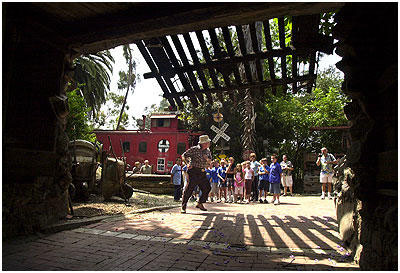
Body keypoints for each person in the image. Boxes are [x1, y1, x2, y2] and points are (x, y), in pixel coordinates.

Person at [180, 135, 212, 213]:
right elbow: (184, 155)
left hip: (202, 171)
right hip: (193, 170)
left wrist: (207, 159)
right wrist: (187, 163)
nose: (209, 143)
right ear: (203, 143)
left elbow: (210, 162)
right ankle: (183, 207)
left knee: (207, 188)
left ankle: (200, 203)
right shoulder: (194, 149)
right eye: (207, 142)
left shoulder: (208, 151)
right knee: (189, 189)